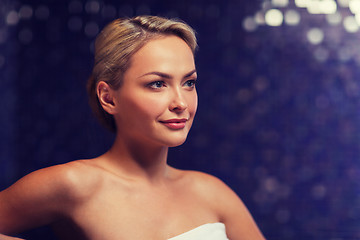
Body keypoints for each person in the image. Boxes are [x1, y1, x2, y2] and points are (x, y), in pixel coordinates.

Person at [0, 16, 265, 240]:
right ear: (108, 97)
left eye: (189, 83)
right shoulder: (73, 185)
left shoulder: (212, 193)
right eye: (157, 84)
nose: (181, 103)